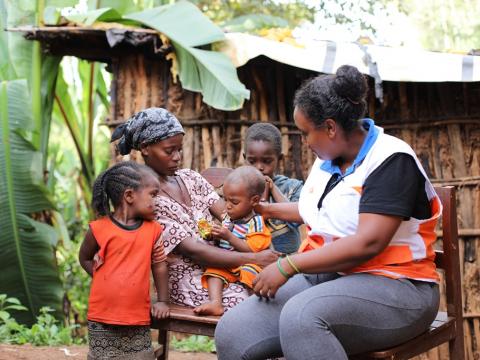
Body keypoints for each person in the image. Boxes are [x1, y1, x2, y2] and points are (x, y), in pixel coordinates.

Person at [215, 65, 441, 359]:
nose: (305, 142)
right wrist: (264, 208)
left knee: (302, 319)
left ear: (331, 128)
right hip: (329, 277)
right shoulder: (328, 160)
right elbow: (318, 211)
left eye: (306, 132)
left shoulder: (391, 160)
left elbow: (367, 242)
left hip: (398, 287)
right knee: (233, 332)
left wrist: (288, 265)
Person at [110, 107, 279, 312]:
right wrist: (253, 257)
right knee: (249, 304)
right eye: (169, 151)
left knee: (274, 290)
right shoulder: (147, 201)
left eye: (179, 149)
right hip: (190, 280)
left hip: (229, 265)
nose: (177, 157)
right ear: (145, 148)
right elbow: (195, 251)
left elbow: (229, 213)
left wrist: (251, 241)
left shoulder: (190, 177)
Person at [79, 161, 170, 360]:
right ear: (129, 196)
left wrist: (162, 301)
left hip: (137, 317)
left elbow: (160, 266)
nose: (158, 201)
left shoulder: (153, 230)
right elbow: (84, 257)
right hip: (101, 316)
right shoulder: (98, 229)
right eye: (153, 195)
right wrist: (102, 276)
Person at [194, 166, 272, 316]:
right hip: (227, 263)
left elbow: (252, 251)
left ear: (254, 200)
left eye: (234, 202)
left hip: (248, 263)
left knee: (251, 273)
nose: (228, 205)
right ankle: (215, 303)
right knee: (213, 271)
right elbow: (222, 240)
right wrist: (212, 235)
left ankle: (255, 305)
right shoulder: (228, 217)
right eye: (225, 199)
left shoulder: (256, 222)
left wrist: (228, 237)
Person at [244, 123, 303, 254]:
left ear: (279, 159)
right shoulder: (239, 190)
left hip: (289, 262)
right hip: (252, 261)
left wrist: (273, 188)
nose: (259, 167)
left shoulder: (292, 187)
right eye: (252, 161)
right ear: (244, 159)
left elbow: (297, 220)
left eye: (267, 161)